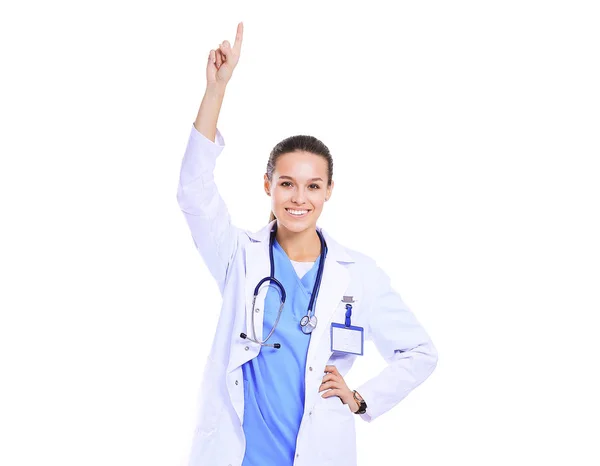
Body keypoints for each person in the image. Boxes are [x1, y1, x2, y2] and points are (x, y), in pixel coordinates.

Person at [176, 21, 438, 466]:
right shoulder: (239, 256)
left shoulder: (359, 274)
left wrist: (360, 398)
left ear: (329, 191)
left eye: (313, 186)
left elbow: (420, 353)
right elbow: (193, 191)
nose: (300, 198)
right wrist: (217, 90)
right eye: (287, 184)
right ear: (267, 186)